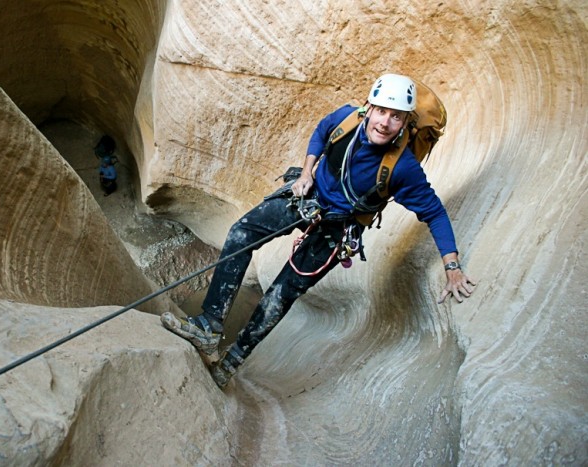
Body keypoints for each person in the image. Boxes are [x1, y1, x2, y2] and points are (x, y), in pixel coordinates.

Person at [161, 74, 477, 389]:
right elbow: (321, 132)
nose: (385, 122)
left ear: (406, 120)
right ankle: (209, 325)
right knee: (242, 234)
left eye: (396, 116)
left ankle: (231, 362)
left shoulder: (404, 168)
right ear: (369, 107)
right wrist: (307, 172)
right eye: (381, 111)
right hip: (307, 197)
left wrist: (452, 266)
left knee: (281, 294)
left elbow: (434, 212)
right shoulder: (347, 119)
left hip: (338, 230)